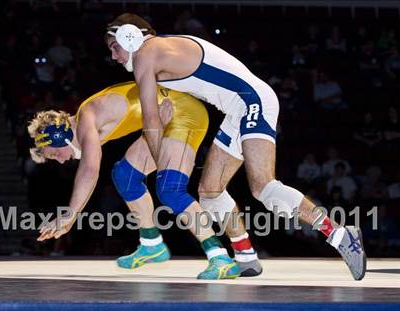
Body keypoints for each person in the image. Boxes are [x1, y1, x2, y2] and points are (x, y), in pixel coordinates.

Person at [105, 13, 366, 280]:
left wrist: (161, 161)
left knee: (263, 186)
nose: (114, 56)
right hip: (237, 110)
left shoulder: (145, 54)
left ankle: (340, 234)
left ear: (130, 35)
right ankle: (245, 256)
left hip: (253, 102)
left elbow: (150, 118)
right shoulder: (162, 48)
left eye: (114, 47)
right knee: (210, 191)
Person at [29, 82, 255, 279]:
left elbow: (90, 169)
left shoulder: (87, 117)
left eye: (53, 154)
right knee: (125, 176)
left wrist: (70, 214)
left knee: (170, 191)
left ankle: (220, 257)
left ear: (60, 137)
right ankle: (151, 244)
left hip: (183, 115)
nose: (59, 161)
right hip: (160, 120)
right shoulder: (84, 121)